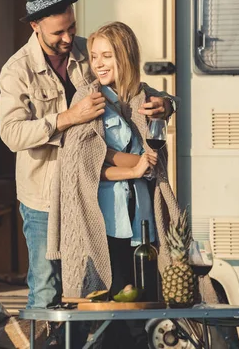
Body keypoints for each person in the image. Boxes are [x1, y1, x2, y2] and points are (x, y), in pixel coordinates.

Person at [0, 0, 177, 310]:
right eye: (58, 33)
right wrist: (67, 117)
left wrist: (167, 104)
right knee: (47, 284)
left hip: (94, 192)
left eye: (72, 28)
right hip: (45, 194)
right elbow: (11, 134)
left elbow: (133, 86)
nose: (68, 39)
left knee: (92, 286)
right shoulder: (17, 71)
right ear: (36, 27)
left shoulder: (87, 51)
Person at [47, 21, 216, 348]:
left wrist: (169, 106)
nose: (98, 63)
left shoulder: (145, 96)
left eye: (106, 55)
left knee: (146, 306)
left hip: (143, 220)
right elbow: (86, 166)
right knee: (113, 311)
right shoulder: (88, 97)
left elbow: (164, 115)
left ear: (125, 56)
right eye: (94, 56)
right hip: (104, 222)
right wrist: (134, 168)